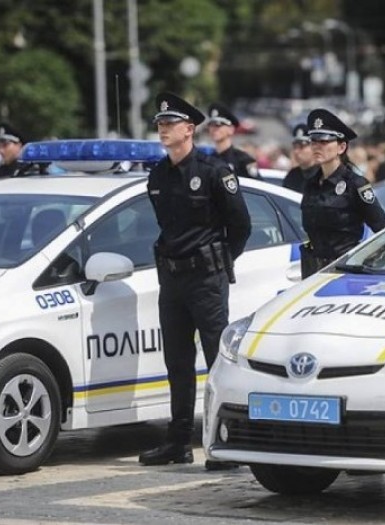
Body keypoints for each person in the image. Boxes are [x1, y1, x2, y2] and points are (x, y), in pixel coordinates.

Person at [139, 92, 251, 470]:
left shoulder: (213, 172)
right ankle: (178, 441)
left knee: (217, 360)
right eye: (160, 124)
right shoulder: (157, 174)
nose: (163, 130)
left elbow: (240, 226)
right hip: (171, 280)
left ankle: (221, 441)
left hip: (205, 278)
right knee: (177, 362)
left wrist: (218, 262)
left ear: (189, 129)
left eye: (169, 124)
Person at [300, 108, 385, 278]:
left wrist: (368, 265)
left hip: (344, 272)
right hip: (312, 273)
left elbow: (383, 230)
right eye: (314, 141)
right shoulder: (311, 184)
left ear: (341, 147)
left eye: (324, 142)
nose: (317, 147)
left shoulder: (355, 184)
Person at [206, 103, 262, 180]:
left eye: (218, 125)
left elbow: (257, 185)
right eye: (211, 125)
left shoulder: (243, 160)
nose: (214, 129)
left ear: (231, 130)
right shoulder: (208, 159)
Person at [281, 124, 315, 192]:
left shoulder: (323, 175)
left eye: (302, 146)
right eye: (295, 147)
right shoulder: (293, 175)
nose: (296, 151)